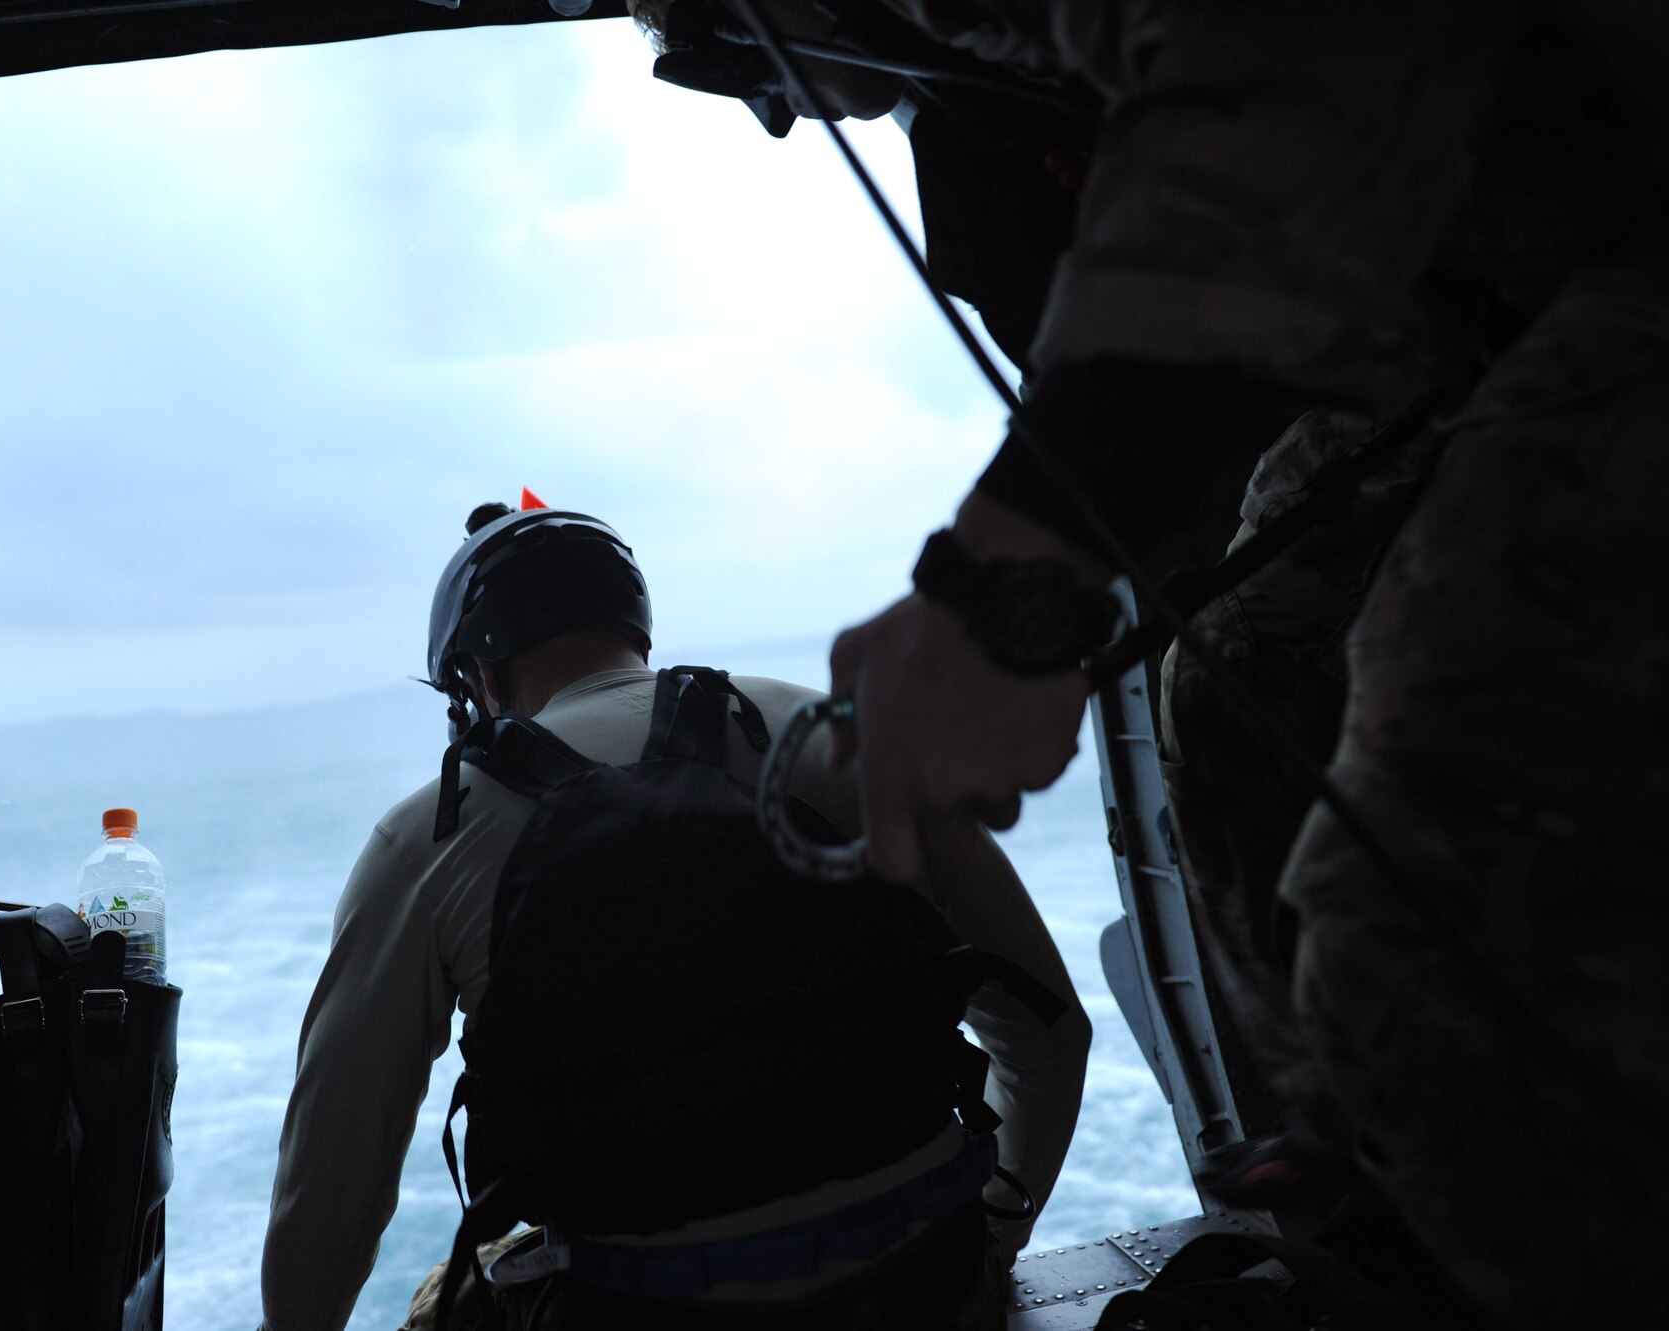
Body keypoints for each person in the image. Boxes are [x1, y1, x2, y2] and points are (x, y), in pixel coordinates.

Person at [630, 2, 1669, 1325]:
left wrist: (1012, 578)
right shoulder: (981, 133)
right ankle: (1385, 1184)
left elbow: (1308, 42)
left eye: (713, 58)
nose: (773, 108)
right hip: (1498, 283)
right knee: (1237, 675)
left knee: (1404, 893)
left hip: (1619, 243)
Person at [260, 499, 1091, 1331]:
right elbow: (1048, 1038)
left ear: (477, 676)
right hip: (924, 1284)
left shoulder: (425, 835)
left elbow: (330, 1195)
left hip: (633, 1309)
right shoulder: (830, 732)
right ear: (634, 627)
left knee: (449, 1295)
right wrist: (993, 1241)